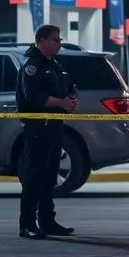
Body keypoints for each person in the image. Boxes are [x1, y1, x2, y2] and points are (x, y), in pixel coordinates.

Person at [16, 24, 79, 239]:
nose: (59, 43)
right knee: (35, 176)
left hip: (53, 126)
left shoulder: (54, 65)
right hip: (38, 128)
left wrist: (70, 99)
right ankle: (27, 224)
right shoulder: (32, 66)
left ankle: (46, 220)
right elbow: (32, 96)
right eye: (56, 39)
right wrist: (61, 102)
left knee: (50, 175)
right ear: (42, 41)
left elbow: (68, 86)